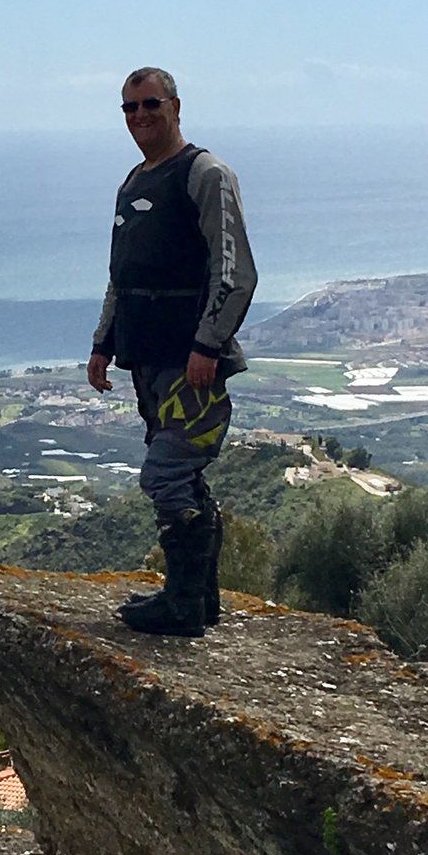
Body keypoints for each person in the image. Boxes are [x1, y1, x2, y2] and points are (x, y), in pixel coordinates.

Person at [87, 67, 257, 637]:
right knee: (182, 479)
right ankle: (199, 599)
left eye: (150, 104)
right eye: (129, 107)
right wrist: (103, 344)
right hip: (149, 360)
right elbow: (122, 276)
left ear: (175, 107)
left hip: (191, 364)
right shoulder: (134, 182)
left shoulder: (205, 174)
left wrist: (208, 343)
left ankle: (183, 605)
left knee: (165, 476)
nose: (139, 116)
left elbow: (235, 271)